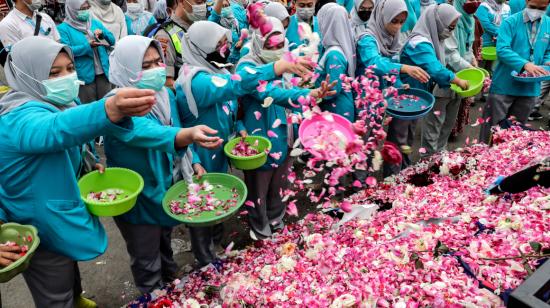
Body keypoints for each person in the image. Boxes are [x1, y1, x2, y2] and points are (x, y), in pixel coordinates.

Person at [0, 36, 156, 308]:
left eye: (70, 69)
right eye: (53, 73)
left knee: (67, 268)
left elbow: (71, 140)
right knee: (54, 284)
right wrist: (109, 108)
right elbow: (56, 130)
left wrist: (88, 163)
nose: (67, 77)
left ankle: (75, 297)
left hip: (59, 212)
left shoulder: (54, 101)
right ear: (27, 73)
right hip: (38, 221)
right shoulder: (17, 117)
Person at [174, 20, 315, 265]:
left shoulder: (213, 69)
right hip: (201, 153)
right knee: (201, 210)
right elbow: (235, 85)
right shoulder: (196, 80)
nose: (224, 48)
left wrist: (238, 127)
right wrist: (277, 67)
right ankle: (205, 260)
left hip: (216, 147)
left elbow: (233, 107)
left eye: (224, 42)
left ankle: (214, 249)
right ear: (201, 47)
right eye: (217, 44)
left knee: (215, 202)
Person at [105, 35, 222, 293]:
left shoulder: (165, 94)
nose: (157, 69)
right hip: (139, 194)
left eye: (159, 61)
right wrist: (186, 136)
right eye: (145, 65)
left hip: (166, 185)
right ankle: (153, 294)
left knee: (165, 241)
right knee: (146, 254)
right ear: (127, 69)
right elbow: (148, 132)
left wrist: (195, 161)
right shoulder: (117, 106)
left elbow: (179, 127)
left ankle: (171, 282)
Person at [236, 17, 334, 240]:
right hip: (260, 137)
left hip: (286, 132)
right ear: (259, 42)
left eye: (281, 45)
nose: (277, 50)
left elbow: (291, 87)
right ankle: (261, 230)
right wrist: (307, 95)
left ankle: (276, 220)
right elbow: (269, 94)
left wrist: (309, 92)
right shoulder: (248, 66)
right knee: (258, 188)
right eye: (271, 46)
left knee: (280, 184)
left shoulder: (286, 61)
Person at [390, 4, 468, 176]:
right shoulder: (419, 43)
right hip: (406, 98)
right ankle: (397, 175)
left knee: (407, 138)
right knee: (400, 138)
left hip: (416, 97)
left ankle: (406, 170)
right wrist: (457, 79)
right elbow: (436, 69)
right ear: (438, 23)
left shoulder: (434, 38)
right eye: (449, 27)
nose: (451, 32)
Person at [479, 0, 550, 144]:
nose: (536, 11)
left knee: (516, 135)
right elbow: (502, 49)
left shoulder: (548, 24)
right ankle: (482, 161)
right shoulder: (510, 22)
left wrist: (547, 63)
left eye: (542, 8)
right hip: (504, 86)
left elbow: (548, 50)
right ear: (527, 1)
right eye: (533, 7)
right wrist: (524, 64)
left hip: (530, 88)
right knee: (491, 132)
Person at [420, 0, 479, 156]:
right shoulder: (434, 34)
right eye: (450, 28)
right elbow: (450, 56)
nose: (451, 32)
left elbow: (467, 45)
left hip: (460, 79)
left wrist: (472, 61)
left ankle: (440, 155)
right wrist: (468, 68)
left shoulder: (467, 20)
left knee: (448, 123)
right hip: (442, 83)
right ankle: (427, 160)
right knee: (434, 125)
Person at [356, 0, 429, 90]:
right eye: (394, 21)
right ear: (383, 17)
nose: (398, 26)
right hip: (367, 94)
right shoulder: (366, 41)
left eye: (402, 22)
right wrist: (404, 68)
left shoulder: (393, 39)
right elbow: (375, 63)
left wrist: (399, 85)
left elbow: (392, 66)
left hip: (384, 94)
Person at [58, 0, 115, 103]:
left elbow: (112, 40)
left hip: (103, 71)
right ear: (72, 10)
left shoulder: (94, 22)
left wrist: (103, 35)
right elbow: (66, 51)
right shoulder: (63, 29)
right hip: (84, 74)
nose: (85, 11)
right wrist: (87, 46)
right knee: (89, 107)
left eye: (87, 8)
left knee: (107, 103)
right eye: (81, 9)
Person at [154, 0, 208, 88]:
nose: (202, 7)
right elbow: (166, 83)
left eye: (204, 2)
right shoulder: (165, 35)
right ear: (181, 2)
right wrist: (194, 91)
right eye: (198, 3)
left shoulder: (201, 27)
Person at [316, 3, 355, 122]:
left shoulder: (334, 55)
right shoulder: (333, 48)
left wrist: (310, 93)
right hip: (336, 110)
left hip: (337, 112)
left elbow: (333, 90)